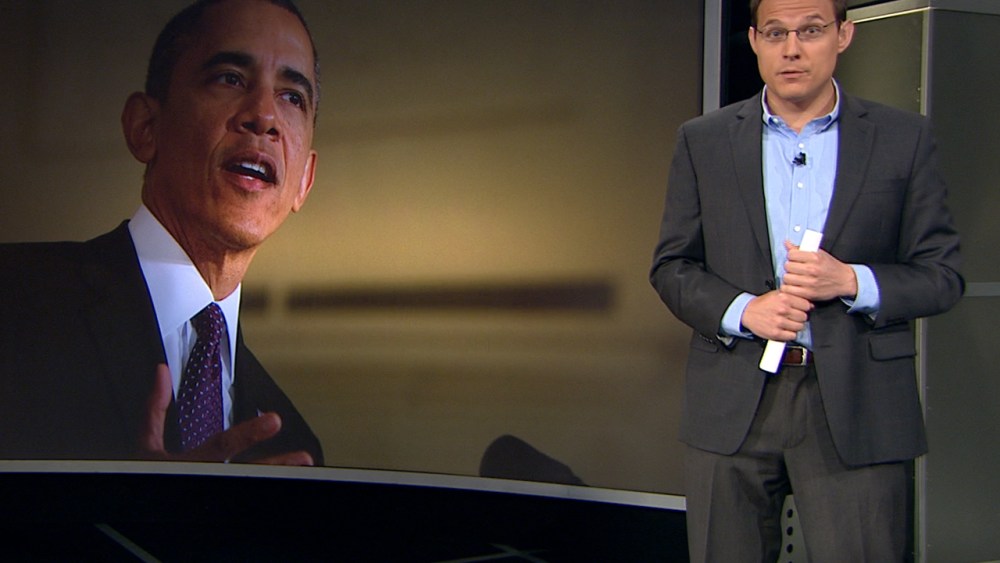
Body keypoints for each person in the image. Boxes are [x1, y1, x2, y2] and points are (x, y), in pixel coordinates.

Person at [649, 0, 962, 560]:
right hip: (733, 402)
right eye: (776, 33)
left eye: (811, 30)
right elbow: (672, 266)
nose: (791, 49)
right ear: (753, 41)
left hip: (857, 403)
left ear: (844, 35)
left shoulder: (902, 137)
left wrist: (851, 280)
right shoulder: (704, 140)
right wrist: (744, 310)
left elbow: (941, 275)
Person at [0, 0, 323, 465]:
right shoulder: (14, 299)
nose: (264, 117)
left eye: (292, 97)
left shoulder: (291, 445)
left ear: (304, 181)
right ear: (146, 127)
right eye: (230, 78)